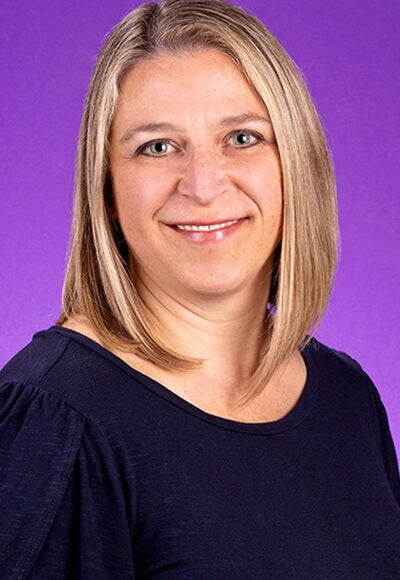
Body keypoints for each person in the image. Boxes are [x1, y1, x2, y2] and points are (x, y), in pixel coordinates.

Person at [1, 0, 399, 577]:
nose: (204, 185)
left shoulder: (347, 399)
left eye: (242, 137)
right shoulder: (58, 421)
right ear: (107, 190)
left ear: (297, 162)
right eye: (157, 147)